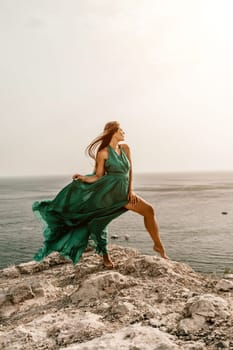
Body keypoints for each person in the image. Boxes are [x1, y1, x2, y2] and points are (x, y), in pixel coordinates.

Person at [32, 121, 168, 268]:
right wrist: (84, 178)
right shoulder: (103, 153)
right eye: (121, 130)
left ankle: (158, 246)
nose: (124, 132)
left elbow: (130, 172)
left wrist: (130, 190)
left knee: (149, 210)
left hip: (124, 193)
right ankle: (105, 256)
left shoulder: (125, 148)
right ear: (113, 132)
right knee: (99, 223)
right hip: (108, 193)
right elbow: (98, 176)